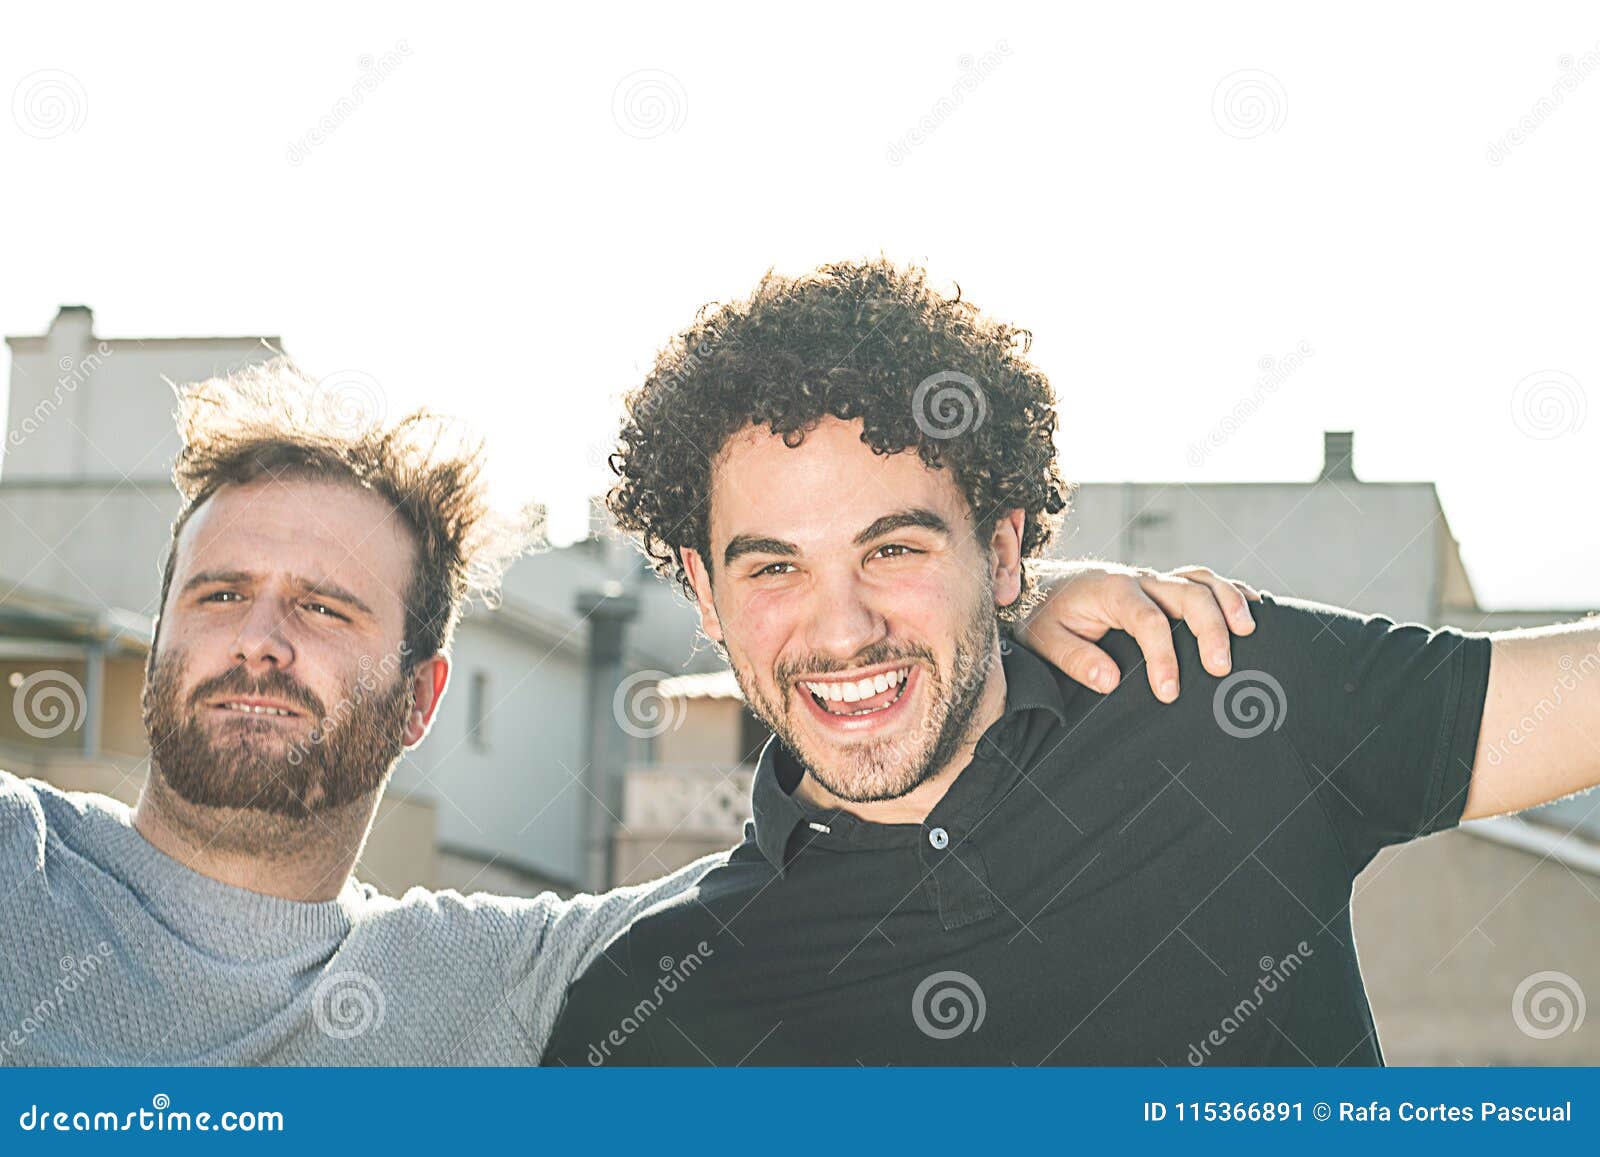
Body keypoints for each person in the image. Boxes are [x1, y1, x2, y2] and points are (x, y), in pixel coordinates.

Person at [0, 359, 1250, 1065]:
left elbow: (838, 834)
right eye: (219, 594)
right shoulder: (21, 861)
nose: (259, 639)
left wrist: (996, 615)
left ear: (422, 699)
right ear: (164, 634)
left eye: (326, 610)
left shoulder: (503, 977)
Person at [543, 257, 1600, 1066]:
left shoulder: (1217, 690)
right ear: (702, 590)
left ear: (1000, 549)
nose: (842, 627)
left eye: (894, 549)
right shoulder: (649, 1015)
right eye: (774, 567)